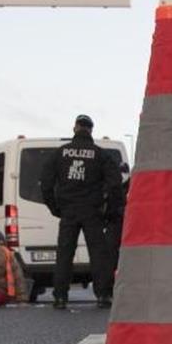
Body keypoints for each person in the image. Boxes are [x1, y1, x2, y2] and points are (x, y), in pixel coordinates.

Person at [39, 115, 124, 310]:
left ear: (75, 128)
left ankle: (60, 296)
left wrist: (55, 207)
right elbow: (115, 185)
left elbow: (45, 183)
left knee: (65, 253)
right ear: (91, 130)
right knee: (98, 253)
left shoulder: (60, 154)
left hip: (68, 209)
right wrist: (110, 211)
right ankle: (103, 295)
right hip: (92, 210)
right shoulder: (100, 155)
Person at [104, 163, 130, 275]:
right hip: (115, 223)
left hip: (125, 224)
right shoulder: (112, 186)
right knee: (111, 254)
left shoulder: (130, 185)